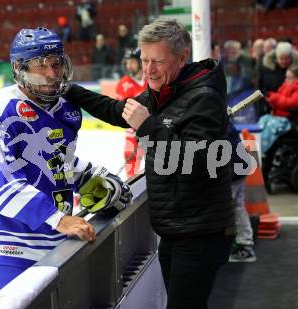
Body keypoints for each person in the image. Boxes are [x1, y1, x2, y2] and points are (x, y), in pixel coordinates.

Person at [64, 17, 235, 309]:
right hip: (177, 229)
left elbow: (196, 162)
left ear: (182, 58)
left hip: (200, 234)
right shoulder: (166, 91)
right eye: (144, 60)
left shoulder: (203, 98)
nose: (148, 69)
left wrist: (148, 127)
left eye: (157, 61)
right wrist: (69, 90)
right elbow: (120, 110)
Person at [0, 27, 131, 303]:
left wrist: (94, 179)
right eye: (40, 66)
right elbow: (1, 184)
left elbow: (59, 162)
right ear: (18, 68)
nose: (50, 74)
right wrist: (60, 219)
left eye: (56, 65)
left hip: (58, 243)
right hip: (10, 247)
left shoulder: (66, 108)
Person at [259, 63, 298, 154]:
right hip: (284, 117)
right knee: (264, 119)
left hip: (296, 121)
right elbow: (280, 97)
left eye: (289, 78)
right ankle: (256, 147)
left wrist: (274, 99)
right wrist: (271, 98)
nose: (286, 80)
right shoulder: (288, 85)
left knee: (272, 125)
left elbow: (291, 103)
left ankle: (261, 151)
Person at [227, 121, 257, 263]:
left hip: (232, 170)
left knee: (224, 209)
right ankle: (245, 245)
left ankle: (243, 246)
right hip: (238, 166)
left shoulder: (207, 113)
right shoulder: (218, 111)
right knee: (236, 207)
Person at [115, 48, 147, 178]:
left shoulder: (152, 78)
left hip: (153, 130)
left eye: (132, 62)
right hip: (132, 134)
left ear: (140, 62)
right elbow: (121, 112)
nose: (128, 66)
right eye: (127, 62)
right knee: (131, 171)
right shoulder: (123, 84)